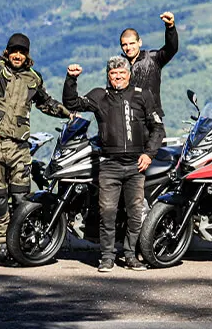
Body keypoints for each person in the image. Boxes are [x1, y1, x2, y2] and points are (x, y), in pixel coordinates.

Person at [0, 0, 69, 264]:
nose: (17, 55)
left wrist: (68, 114)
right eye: (13, 50)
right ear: (7, 52)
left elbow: (46, 103)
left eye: (22, 52)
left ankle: (20, 245)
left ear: (27, 55)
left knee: (20, 198)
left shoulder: (33, 79)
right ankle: (1, 245)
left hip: (20, 148)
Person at [64, 57, 165, 273]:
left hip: (136, 165)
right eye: (113, 74)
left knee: (135, 213)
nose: (117, 77)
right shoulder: (100, 96)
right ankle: (107, 257)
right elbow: (72, 103)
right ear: (108, 76)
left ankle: (130, 256)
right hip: (109, 164)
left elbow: (158, 128)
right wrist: (71, 79)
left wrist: (149, 154)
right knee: (107, 212)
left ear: (129, 74)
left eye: (121, 73)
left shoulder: (142, 95)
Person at [119, 11, 178, 116]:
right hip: (128, 118)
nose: (128, 48)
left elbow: (171, 48)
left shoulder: (153, 58)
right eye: (125, 45)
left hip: (152, 117)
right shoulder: (119, 67)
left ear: (139, 42)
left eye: (132, 43)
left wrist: (170, 27)